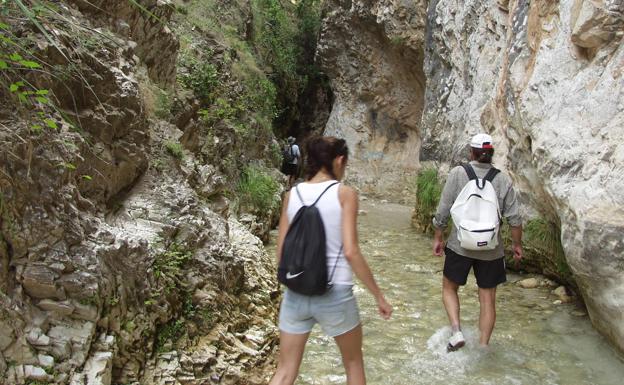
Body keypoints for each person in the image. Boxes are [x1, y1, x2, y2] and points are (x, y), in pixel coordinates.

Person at [270, 136, 392, 385]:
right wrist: (378, 295)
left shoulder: (292, 195)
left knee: (284, 371)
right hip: (334, 293)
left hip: (296, 293)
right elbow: (351, 252)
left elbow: (281, 252)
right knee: (353, 364)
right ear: (339, 160)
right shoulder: (345, 194)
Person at [432, 133, 523, 351]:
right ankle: (483, 347)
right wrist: (516, 245)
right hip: (491, 249)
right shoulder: (502, 179)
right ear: (491, 154)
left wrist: (438, 237)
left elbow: (443, 210)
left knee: (449, 288)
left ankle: (456, 331)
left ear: (471, 153)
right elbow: (515, 218)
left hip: (460, 245)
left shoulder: (458, 173)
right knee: (488, 298)